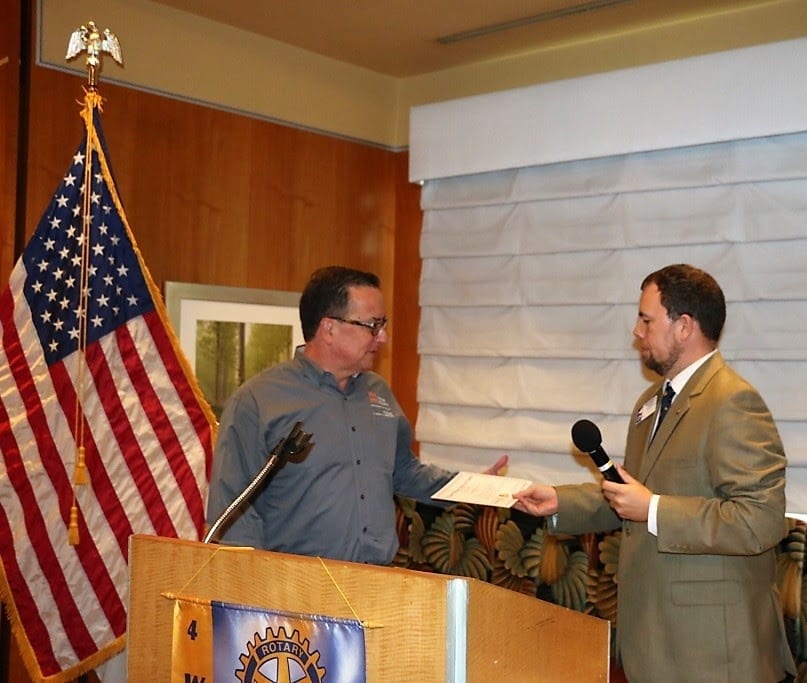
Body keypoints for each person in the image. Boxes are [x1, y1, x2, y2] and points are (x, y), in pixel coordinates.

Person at [514, 264, 795, 683]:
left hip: (714, 654)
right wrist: (561, 501)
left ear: (684, 326)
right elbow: (635, 495)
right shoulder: (652, 402)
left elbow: (761, 519)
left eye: (646, 320)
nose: (636, 331)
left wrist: (655, 509)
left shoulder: (733, 402)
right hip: (656, 642)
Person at [207, 265, 507, 565]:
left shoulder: (378, 392)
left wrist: (475, 488)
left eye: (383, 324)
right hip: (295, 585)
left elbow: (405, 471)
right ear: (329, 328)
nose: (383, 337)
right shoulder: (257, 402)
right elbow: (233, 514)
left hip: (376, 580)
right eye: (372, 325)